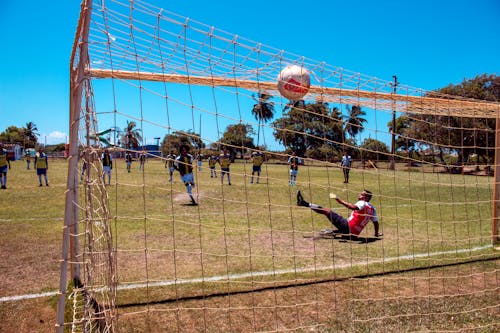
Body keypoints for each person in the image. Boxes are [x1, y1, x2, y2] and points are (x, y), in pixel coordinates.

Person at [297, 189, 381, 238]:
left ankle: (304, 203)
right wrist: (376, 234)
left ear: (366, 197)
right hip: (354, 235)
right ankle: (331, 232)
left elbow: (353, 207)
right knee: (340, 218)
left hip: (347, 227)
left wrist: (338, 199)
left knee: (327, 211)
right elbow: (376, 223)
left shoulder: (362, 203)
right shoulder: (373, 208)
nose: (359, 195)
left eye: (361, 194)